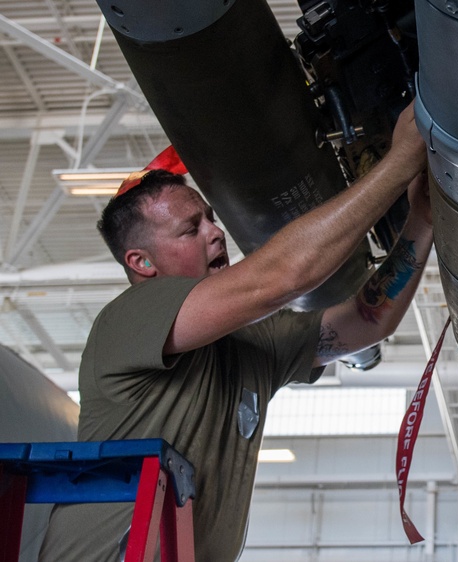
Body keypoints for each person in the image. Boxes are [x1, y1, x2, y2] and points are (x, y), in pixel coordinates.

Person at [40, 103, 431, 562]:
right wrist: (401, 162)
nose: (216, 233)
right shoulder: (132, 317)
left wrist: (422, 218)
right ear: (142, 263)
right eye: (191, 230)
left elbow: (368, 320)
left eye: (211, 218)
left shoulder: (249, 346)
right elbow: (283, 276)